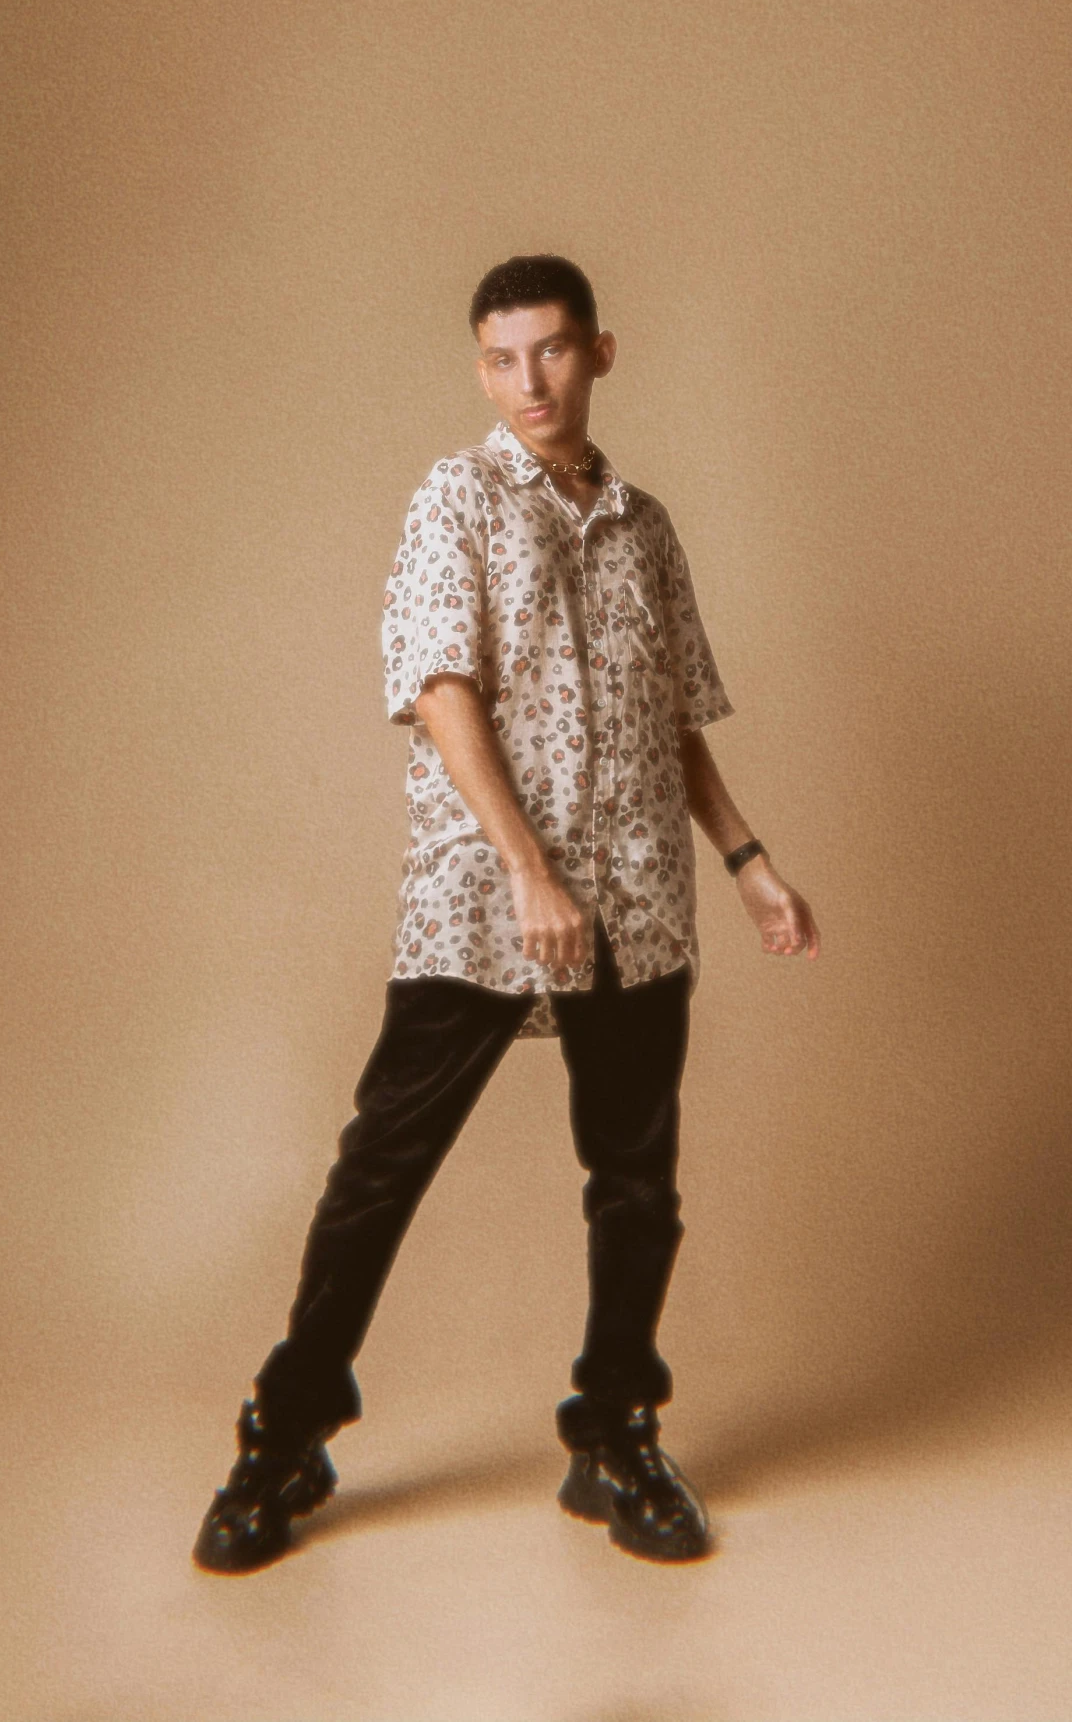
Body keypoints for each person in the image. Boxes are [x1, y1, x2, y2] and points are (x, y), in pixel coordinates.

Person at [193, 253, 821, 1572]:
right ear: (479, 365)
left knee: (636, 1180)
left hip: (642, 889)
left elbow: (670, 719)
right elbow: (437, 685)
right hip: (485, 891)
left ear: (601, 349)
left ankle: (613, 1433)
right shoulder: (456, 501)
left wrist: (747, 858)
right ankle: (285, 1431)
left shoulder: (646, 526)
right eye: (498, 356)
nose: (525, 380)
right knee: (382, 1166)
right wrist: (529, 865)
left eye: (547, 349)